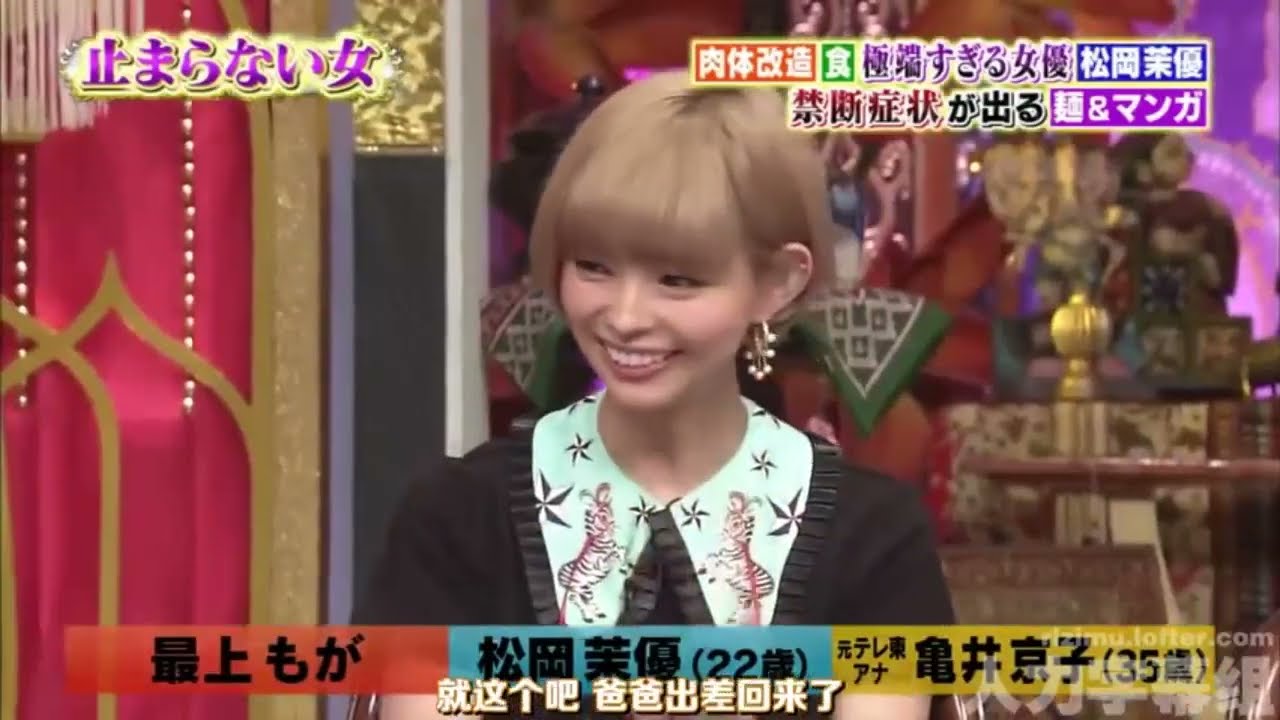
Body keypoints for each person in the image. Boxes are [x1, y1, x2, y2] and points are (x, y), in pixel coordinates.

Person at [357, 71, 954, 719]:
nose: (624, 316)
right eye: (594, 266)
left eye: (676, 279)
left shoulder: (872, 536)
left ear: (777, 283)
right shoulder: (458, 517)